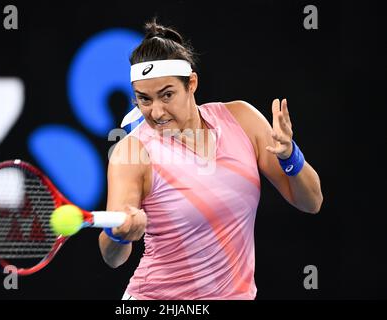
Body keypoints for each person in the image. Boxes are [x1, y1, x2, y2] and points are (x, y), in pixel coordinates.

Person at [98, 20, 323, 300]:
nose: (156, 112)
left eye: (167, 95)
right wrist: (120, 235)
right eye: (144, 99)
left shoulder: (243, 120)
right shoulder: (131, 154)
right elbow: (113, 257)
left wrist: (290, 157)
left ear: (191, 83)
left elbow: (312, 202)